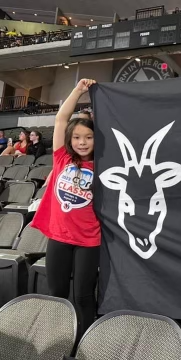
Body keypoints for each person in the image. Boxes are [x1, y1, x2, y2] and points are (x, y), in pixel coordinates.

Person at [31, 78, 100, 338]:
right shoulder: (62, 157)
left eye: (89, 137)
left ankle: (84, 342)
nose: (82, 142)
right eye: (77, 137)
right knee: (57, 293)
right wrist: (78, 90)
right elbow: (61, 119)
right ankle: (57, 339)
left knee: (83, 295)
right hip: (59, 236)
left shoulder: (104, 163)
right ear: (70, 140)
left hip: (89, 240)